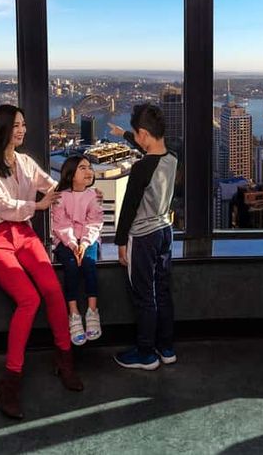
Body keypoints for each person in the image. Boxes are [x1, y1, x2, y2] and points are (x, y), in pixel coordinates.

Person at [0, 104, 83, 420]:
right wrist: (38, 205)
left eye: (23, 124)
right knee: (29, 299)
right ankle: (9, 382)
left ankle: (64, 360)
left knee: (52, 290)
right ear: (2, 128)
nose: (22, 130)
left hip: (22, 233)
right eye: (16, 125)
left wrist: (80, 191)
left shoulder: (24, 161)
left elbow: (52, 187)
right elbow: (2, 205)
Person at [112, 104, 178, 370]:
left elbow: (128, 208)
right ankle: (166, 348)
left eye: (136, 134)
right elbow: (150, 152)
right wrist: (124, 135)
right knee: (162, 291)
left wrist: (120, 243)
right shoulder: (172, 158)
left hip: (143, 237)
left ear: (144, 134)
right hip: (165, 232)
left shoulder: (141, 168)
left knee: (144, 296)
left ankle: (145, 353)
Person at [51, 154, 104, 346]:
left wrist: (84, 243)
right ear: (70, 174)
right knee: (71, 266)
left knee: (89, 264)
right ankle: (73, 312)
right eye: (82, 168)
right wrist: (74, 244)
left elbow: (95, 222)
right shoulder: (60, 197)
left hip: (88, 240)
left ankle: (92, 310)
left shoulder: (94, 196)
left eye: (90, 167)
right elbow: (61, 225)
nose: (89, 171)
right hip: (65, 241)